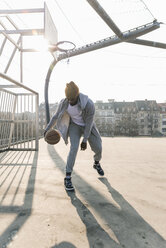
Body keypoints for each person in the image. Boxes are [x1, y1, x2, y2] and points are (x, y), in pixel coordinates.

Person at [44, 81, 104, 191]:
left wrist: (85, 140)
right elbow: (55, 117)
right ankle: (67, 177)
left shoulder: (89, 104)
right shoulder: (64, 102)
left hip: (87, 126)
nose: (70, 102)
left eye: (73, 99)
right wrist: (47, 129)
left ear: (77, 95)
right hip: (74, 126)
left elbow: (89, 123)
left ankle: (96, 163)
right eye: (69, 99)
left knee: (98, 148)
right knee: (74, 148)